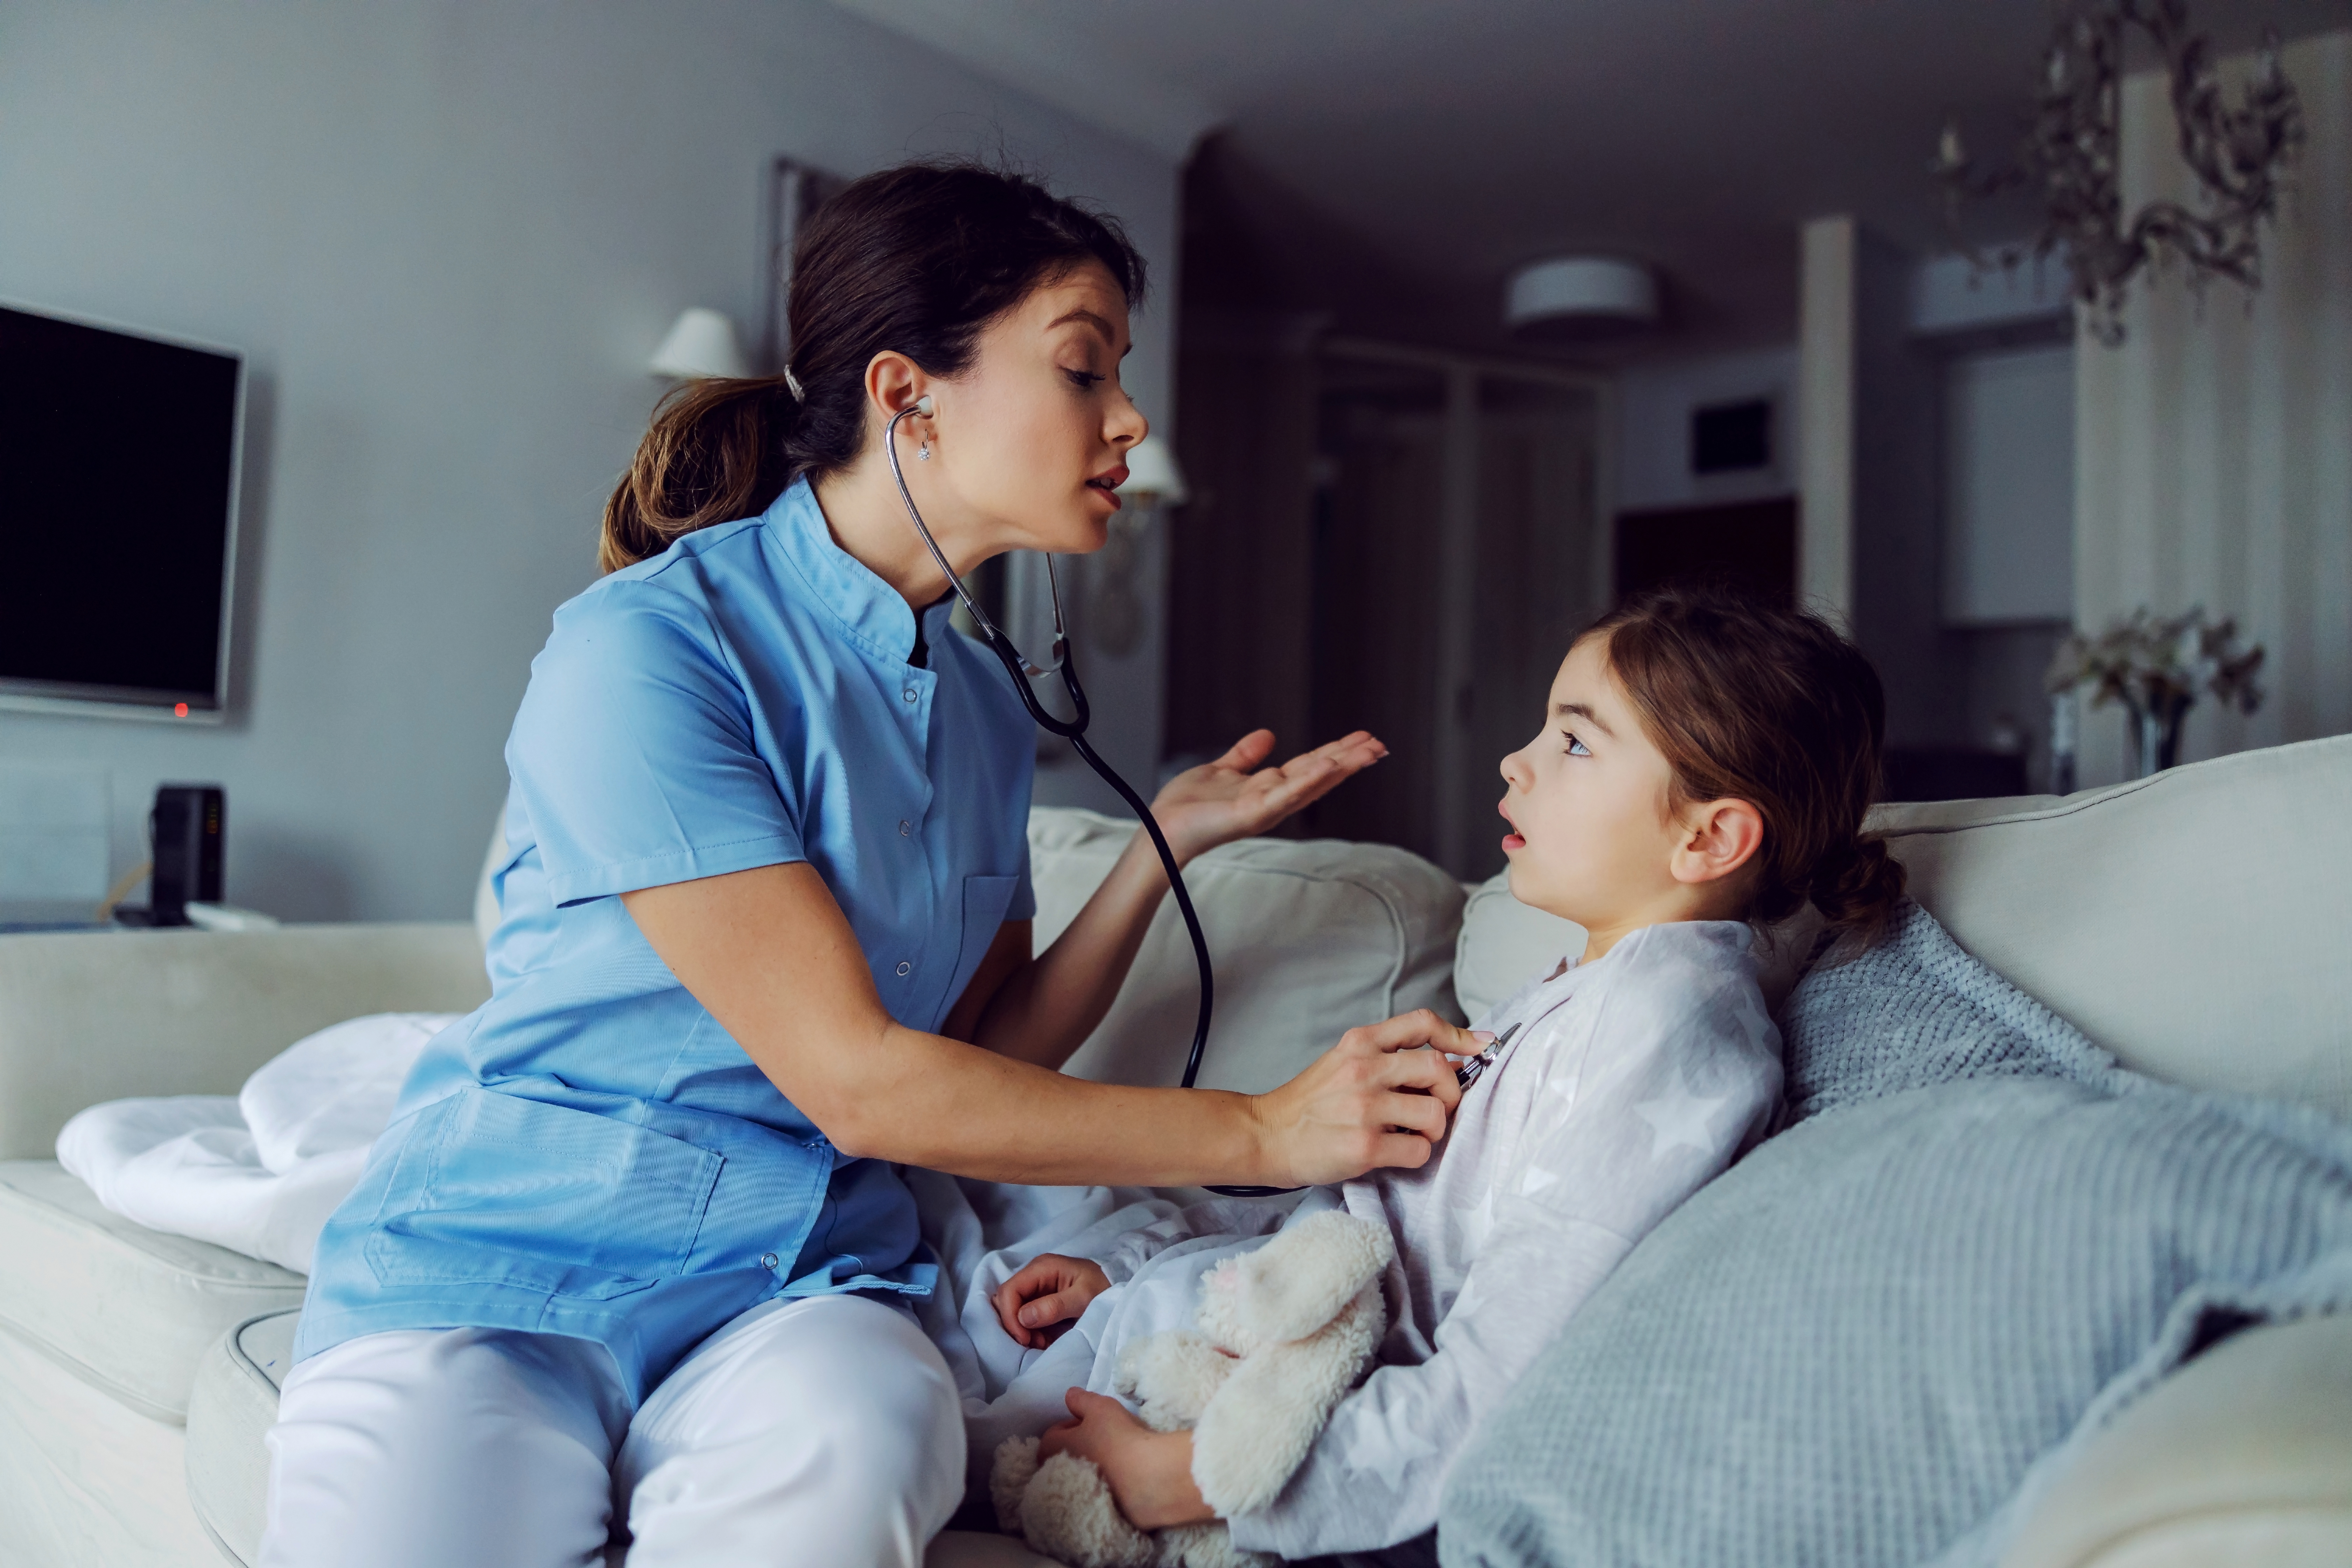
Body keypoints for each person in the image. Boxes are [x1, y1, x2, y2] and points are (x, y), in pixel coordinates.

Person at [259, 161, 1474, 1568]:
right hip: (511, 1252)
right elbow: (855, 1075)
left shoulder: (976, 708)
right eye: (1086, 368)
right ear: (909, 395)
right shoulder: (645, 652)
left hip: (799, 1282)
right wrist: (1266, 1132)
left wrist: (1158, 851)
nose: (1132, 420)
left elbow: (983, 1046)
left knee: (867, 1445)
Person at [983, 588, 1910, 1561]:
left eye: (1575, 743)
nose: (1516, 760)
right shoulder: (1580, 993)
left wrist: (1189, 1479)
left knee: (968, 1421)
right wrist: (1126, 1268)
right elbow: (1365, 1206)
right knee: (999, 1291)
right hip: (1255, 1318)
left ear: (1709, 838)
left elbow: (1511, 1381)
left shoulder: (1665, 1030)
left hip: (1298, 1434)